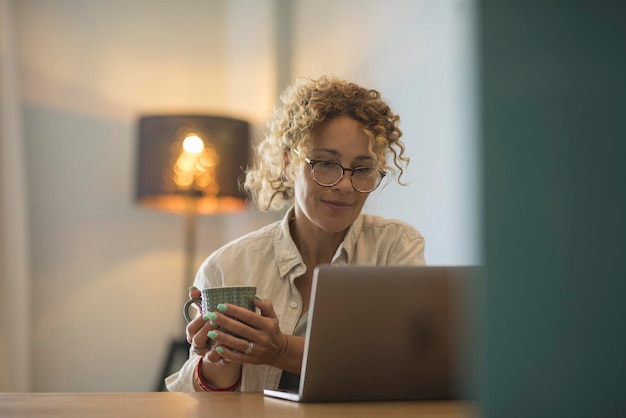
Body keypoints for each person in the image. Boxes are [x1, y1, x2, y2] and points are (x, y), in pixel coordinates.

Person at [165, 74, 425, 393]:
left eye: (362, 169)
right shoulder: (228, 266)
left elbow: (405, 365)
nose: (345, 184)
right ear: (289, 163)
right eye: (326, 164)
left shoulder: (394, 248)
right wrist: (221, 361)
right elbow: (193, 401)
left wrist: (280, 350)